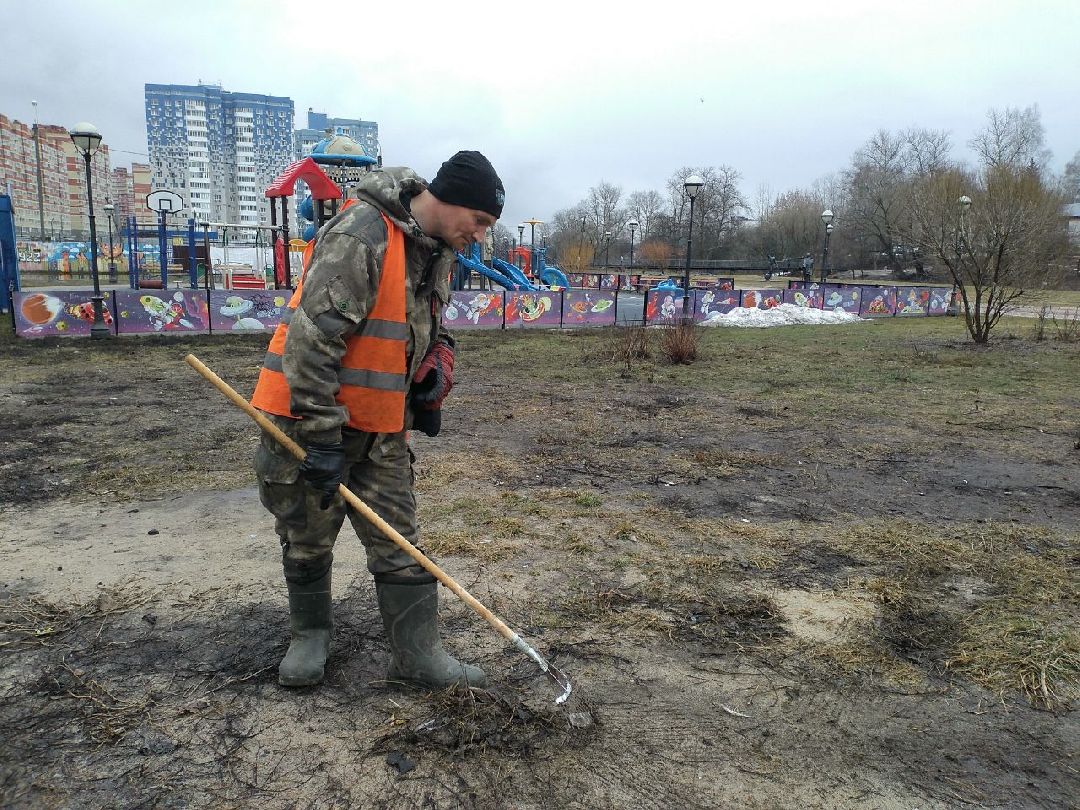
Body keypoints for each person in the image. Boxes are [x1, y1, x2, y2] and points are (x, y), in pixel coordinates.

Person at [250, 151, 504, 689]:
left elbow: (419, 328)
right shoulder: (361, 236)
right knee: (307, 534)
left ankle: (417, 658)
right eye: (479, 220)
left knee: (400, 539)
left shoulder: (437, 252)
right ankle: (310, 637)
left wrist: (438, 360)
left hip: (381, 427)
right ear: (449, 199)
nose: (481, 235)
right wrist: (321, 436)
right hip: (305, 418)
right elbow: (312, 341)